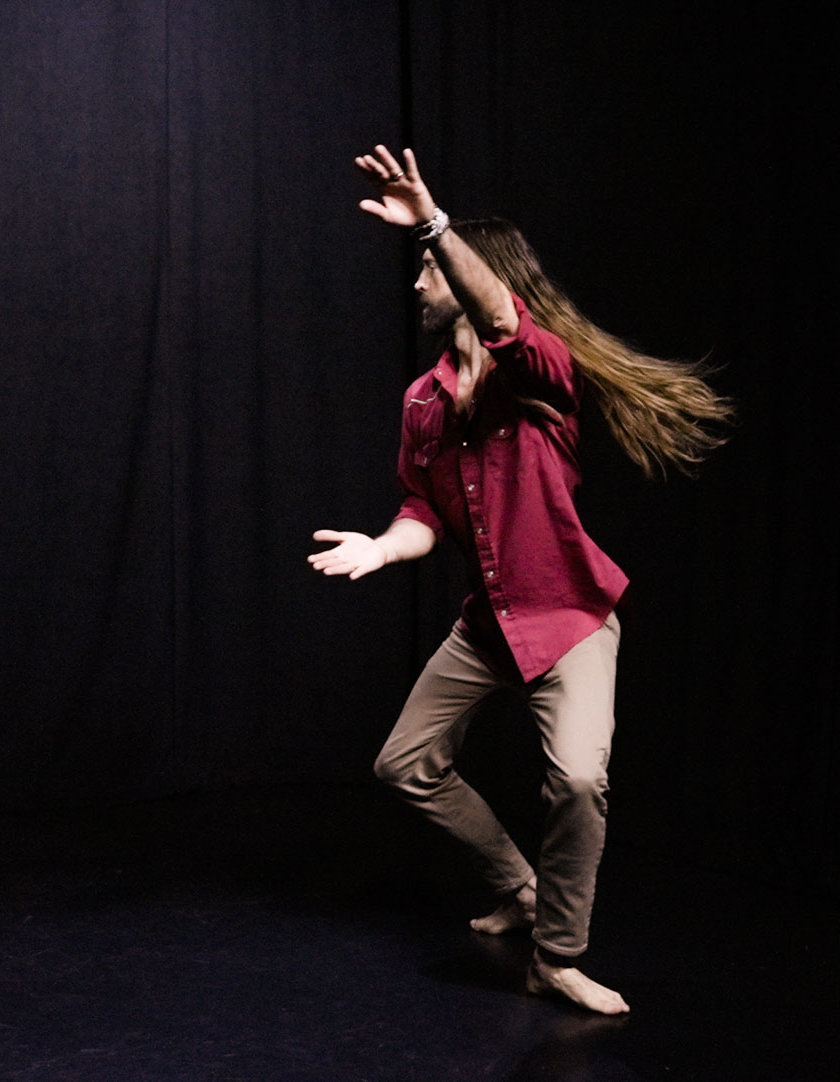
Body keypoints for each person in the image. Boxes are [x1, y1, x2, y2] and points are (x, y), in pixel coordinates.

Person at [309, 145, 733, 1015]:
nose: (418, 281)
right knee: (404, 764)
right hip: (491, 622)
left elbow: (502, 318)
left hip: (572, 617)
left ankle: (558, 954)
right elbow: (422, 510)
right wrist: (382, 548)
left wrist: (434, 222)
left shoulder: (541, 374)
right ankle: (519, 884)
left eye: (428, 267)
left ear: (472, 276)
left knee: (577, 780)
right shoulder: (422, 401)